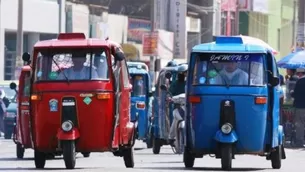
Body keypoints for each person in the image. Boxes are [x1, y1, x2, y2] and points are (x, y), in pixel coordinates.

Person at [168, 65, 187, 145]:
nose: (184, 75)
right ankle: (171, 137)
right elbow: (170, 93)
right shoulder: (175, 83)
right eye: (182, 73)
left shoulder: (191, 83)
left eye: (186, 73)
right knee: (176, 119)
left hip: (189, 107)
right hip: (178, 106)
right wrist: (169, 98)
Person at [291, 68, 305, 147]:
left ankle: (300, 142)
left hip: (300, 106)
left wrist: (291, 92)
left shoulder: (300, 81)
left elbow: (295, 94)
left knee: (300, 124)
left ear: (299, 73)